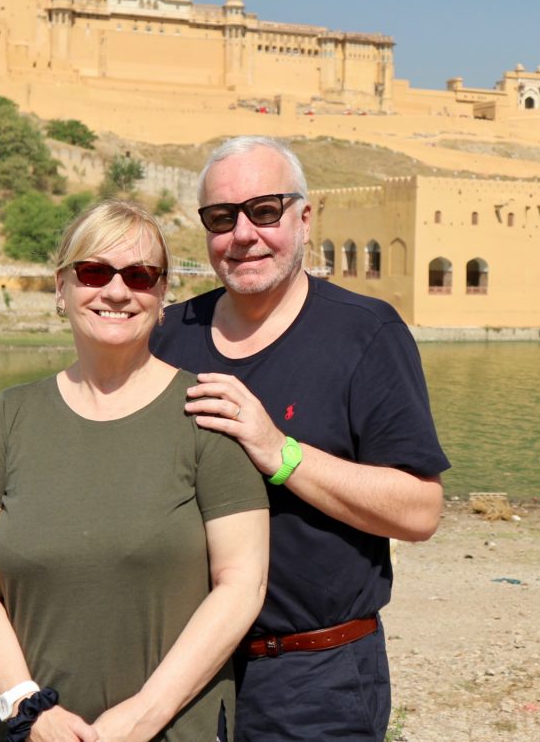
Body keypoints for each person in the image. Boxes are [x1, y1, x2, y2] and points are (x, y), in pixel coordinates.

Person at [151, 137, 449, 741]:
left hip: (316, 678)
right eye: (221, 217)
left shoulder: (365, 334)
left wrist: (280, 452)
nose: (243, 234)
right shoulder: (168, 337)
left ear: (304, 218)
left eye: (265, 211)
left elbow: (420, 511)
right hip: (180, 671)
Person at [0, 199, 269, 742]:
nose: (117, 291)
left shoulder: (205, 414)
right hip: (13, 727)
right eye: (94, 271)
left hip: (167, 729)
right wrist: (29, 706)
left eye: (140, 275)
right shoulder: (8, 415)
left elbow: (242, 583)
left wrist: (142, 715)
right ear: (62, 287)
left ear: (161, 293)